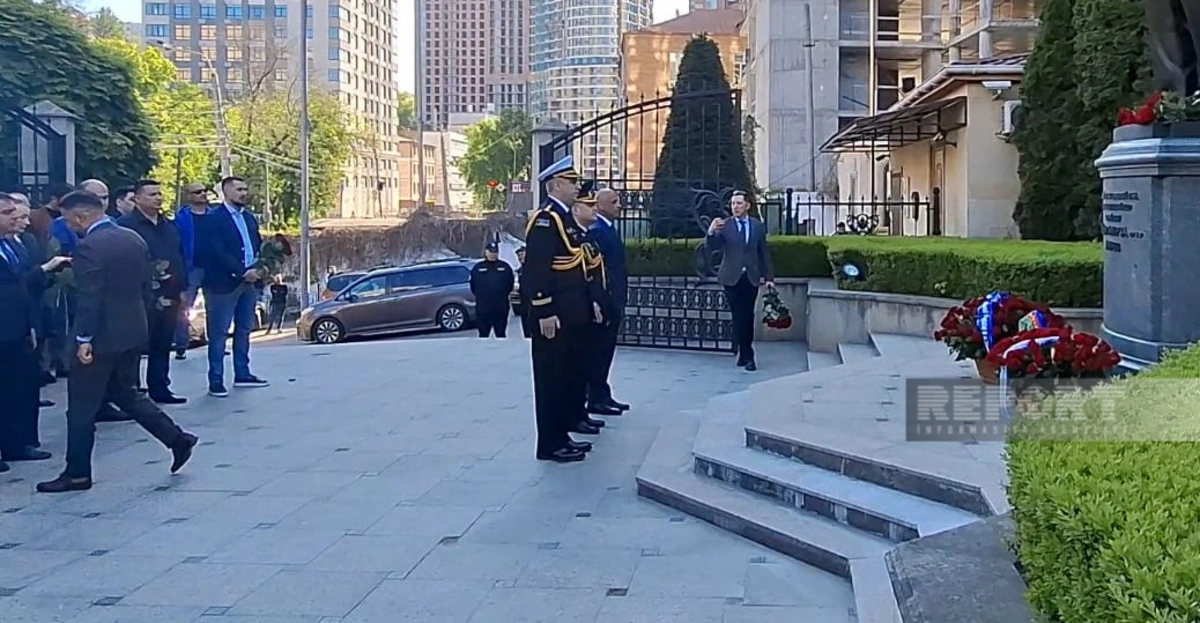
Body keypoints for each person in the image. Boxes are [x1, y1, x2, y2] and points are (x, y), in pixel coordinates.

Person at [35, 191, 198, 494]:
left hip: (101, 337)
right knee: (126, 394)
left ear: (81, 216)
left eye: (69, 221)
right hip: (131, 331)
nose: (69, 227)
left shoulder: (90, 246)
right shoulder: (131, 238)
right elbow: (144, 285)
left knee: (81, 408)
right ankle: (177, 439)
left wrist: (84, 339)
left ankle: (77, 473)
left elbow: (90, 298)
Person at [523, 155, 604, 463]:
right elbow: (537, 269)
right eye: (572, 183)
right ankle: (550, 444)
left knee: (564, 377)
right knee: (550, 380)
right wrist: (544, 309)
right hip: (553, 314)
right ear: (557, 185)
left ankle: (561, 436)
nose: (577, 187)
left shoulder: (563, 218)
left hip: (569, 313)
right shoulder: (546, 220)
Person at [0, 193, 70, 471]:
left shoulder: (13, 245)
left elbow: (22, 285)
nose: (15, 218)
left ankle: (16, 444)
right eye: (7, 213)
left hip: (18, 328)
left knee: (17, 388)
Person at [195, 176, 269, 397]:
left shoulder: (249, 217)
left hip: (250, 281)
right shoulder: (213, 218)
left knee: (244, 328)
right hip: (223, 283)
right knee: (219, 333)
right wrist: (240, 271)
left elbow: (256, 245)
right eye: (238, 189)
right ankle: (216, 380)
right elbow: (215, 251)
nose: (243, 193)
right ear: (226, 192)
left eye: (245, 189)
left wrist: (261, 267)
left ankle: (242, 372)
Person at [118, 180, 188, 405]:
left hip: (170, 292)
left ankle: (160, 387)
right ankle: (132, 391)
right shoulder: (126, 225)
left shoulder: (168, 225)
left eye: (159, 193)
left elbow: (179, 256)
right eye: (151, 194)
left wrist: (183, 288)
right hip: (140, 293)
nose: (157, 198)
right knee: (136, 344)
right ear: (137, 198)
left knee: (163, 341)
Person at [706, 191, 775, 371]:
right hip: (731, 277)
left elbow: (763, 252)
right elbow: (713, 246)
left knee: (748, 315)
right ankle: (748, 355)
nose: (735, 207)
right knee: (738, 316)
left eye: (739, 203)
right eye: (733, 204)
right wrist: (711, 231)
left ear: (747, 206)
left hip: (750, 277)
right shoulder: (725, 225)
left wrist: (769, 277)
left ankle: (744, 353)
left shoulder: (757, 226)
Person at [584, 187, 631, 414]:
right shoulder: (597, 231)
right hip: (606, 300)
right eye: (613, 202)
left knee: (606, 350)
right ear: (600, 205)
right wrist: (601, 300)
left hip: (614, 299)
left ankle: (603, 393)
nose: (619, 205)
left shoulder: (607, 227)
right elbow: (596, 271)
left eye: (618, 201)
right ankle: (595, 397)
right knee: (599, 352)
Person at [173, 183, 213, 359]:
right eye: (197, 192)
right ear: (188, 196)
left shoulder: (214, 216)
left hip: (213, 268)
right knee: (183, 307)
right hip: (191, 268)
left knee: (214, 308)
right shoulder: (181, 219)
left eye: (204, 191)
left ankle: (216, 345)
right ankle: (181, 345)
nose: (202, 194)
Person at [469, 241, 514, 338]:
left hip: (500, 307)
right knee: (483, 335)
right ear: (486, 252)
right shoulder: (478, 268)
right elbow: (473, 286)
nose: (493, 254)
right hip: (483, 308)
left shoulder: (505, 267)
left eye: (495, 252)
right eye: (491, 252)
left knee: (501, 334)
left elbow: (510, 285)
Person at [511, 247, 532, 339]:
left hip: (536, 306)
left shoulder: (536, 269)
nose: (520, 257)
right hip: (524, 308)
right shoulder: (519, 272)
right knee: (527, 335)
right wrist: (517, 308)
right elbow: (515, 291)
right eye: (518, 255)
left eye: (522, 254)